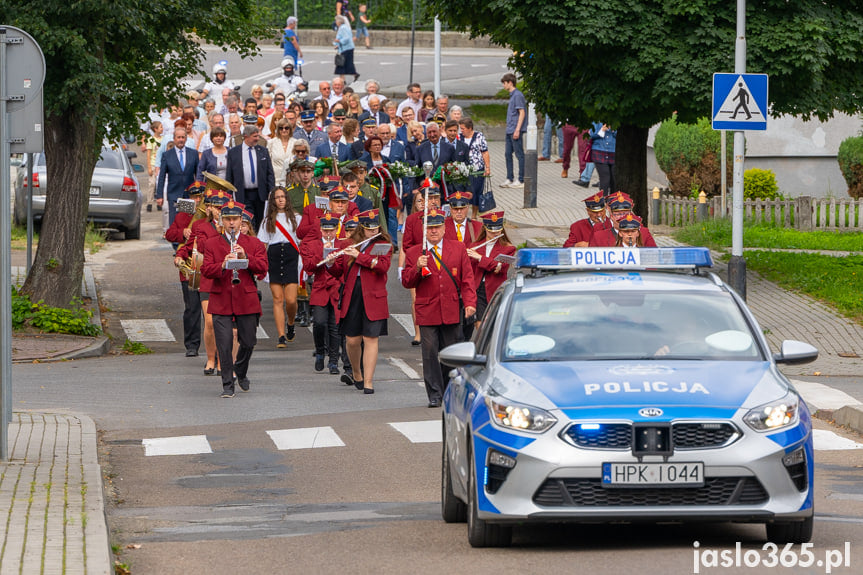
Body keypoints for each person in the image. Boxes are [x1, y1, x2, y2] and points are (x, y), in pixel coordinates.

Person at [401, 208, 476, 408]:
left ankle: (449, 389)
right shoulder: (414, 252)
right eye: (430, 228)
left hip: (451, 308)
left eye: (437, 227)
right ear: (425, 230)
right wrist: (417, 267)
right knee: (430, 352)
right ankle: (434, 394)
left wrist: (469, 303)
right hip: (428, 310)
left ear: (444, 228)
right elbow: (406, 282)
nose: (434, 231)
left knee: (451, 353)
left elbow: (467, 279)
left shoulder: (458, 248)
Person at [201, 200, 268, 398]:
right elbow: (206, 270)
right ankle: (227, 385)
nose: (231, 223)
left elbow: (263, 268)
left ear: (241, 221)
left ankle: (241, 369)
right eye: (228, 219)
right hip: (221, 299)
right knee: (224, 344)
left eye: (235, 219)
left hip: (245, 299)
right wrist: (222, 265)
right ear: (222, 222)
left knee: (248, 342)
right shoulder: (212, 243)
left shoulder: (253, 243)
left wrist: (245, 256)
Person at [325, 209, 391, 394]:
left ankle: (369, 381)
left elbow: (383, 266)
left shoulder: (383, 244)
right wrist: (330, 262)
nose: (372, 231)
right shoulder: (348, 244)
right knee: (352, 340)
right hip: (352, 293)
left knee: (371, 338)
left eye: (374, 228)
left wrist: (359, 256)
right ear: (361, 228)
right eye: (368, 229)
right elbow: (338, 271)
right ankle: (356, 372)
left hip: (374, 295)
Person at [177, 189, 231, 375]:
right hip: (208, 277)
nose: (218, 210)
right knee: (209, 321)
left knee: (226, 323)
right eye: (215, 207)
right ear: (208, 209)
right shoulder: (200, 226)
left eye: (221, 207)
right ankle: (210, 357)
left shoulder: (232, 225)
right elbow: (189, 246)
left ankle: (222, 359)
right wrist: (179, 256)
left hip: (227, 278)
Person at [258, 187, 303, 347]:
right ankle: (281, 335)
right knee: (278, 299)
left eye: (283, 196)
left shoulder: (297, 218)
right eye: (277, 197)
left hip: (291, 256)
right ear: (273, 201)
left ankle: (290, 322)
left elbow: (302, 240)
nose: (281, 199)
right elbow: (262, 245)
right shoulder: (267, 220)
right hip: (274, 257)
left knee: (291, 300)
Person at [166, 182, 207, 358]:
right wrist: (183, 232)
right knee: (192, 307)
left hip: (207, 265)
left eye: (200, 197)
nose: (197, 200)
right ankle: (192, 345)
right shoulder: (183, 214)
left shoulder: (210, 216)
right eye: (194, 197)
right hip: (189, 264)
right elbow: (169, 234)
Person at [300, 212, 343, 374]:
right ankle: (320, 351)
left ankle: (333, 361)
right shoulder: (314, 245)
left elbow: (343, 269)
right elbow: (309, 266)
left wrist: (333, 263)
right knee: (319, 323)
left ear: (336, 229)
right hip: (320, 289)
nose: (329, 234)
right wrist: (322, 253)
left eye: (331, 230)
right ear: (321, 230)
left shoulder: (342, 245)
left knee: (335, 326)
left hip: (336, 289)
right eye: (325, 231)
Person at [465, 210, 516, 336]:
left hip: (495, 289)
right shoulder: (475, 246)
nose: (494, 234)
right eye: (491, 231)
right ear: (485, 229)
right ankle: (484, 349)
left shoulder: (508, 248)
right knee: (479, 325)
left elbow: (501, 268)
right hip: (478, 289)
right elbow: (471, 270)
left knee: (494, 324)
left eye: (497, 231)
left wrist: (480, 258)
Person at [225, 125, 275, 227]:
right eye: (255, 136)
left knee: (261, 221)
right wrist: (229, 195)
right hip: (243, 194)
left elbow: (269, 173)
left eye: (258, 136)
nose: (257, 139)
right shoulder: (233, 152)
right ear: (246, 136)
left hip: (260, 193)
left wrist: (271, 191)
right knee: (247, 220)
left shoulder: (263, 151)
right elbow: (229, 175)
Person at [156, 127, 199, 226]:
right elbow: (161, 176)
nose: (181, 140)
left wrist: (198, 194)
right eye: (178, 137)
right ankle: (175, 242)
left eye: (183, 137)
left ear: (186, 139)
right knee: (175, 222)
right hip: (174, 194)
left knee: (187, 222)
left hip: (189, 195)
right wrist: (159, 196)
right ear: (174, 138)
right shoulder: (167, 155)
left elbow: (198, 175)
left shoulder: (193, 154)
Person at [589, 192, 658, 247]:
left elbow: (654, 256)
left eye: (625, 213)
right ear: (611, 216)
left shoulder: (643, 233)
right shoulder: (599, 237)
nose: (622, 217)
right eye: (618, 214)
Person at [459, 118, 492, 218]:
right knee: (465, 193)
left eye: (463, 128)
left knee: (477, 192)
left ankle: (474, 215)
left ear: (470, 128)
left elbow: (485, 152)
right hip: (463, 170)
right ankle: (464, 214)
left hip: (477, 169)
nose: (461, 131)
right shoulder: (459, 137)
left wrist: (487, 168)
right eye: (460, 128)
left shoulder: (479, 136)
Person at [411, 122, 455, 196]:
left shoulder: (449, 148)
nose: (432, 135)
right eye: (429, 132)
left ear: (439, 131)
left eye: (434, 131)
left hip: (445, 189)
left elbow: (454, 167)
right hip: (427, 189)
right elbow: (417, 169)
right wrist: (420, 183)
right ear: (426, 134)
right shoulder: (420, 149)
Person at [500, 72, 526, 189]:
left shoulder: (518, 95)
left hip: (515, 130)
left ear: (510, 83)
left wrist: (517, 129)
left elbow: (522, 113)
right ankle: (509, 177)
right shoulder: (512, 96)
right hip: (509, 129)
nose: (503, 86)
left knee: (519, 154)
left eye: (504, 83)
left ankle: (521, 179)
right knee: (507, 154)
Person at [590, 121, 617, 195]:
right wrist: (602, 130)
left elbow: (623, 136)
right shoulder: (596, 121)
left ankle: (613, 201)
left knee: (614, 179)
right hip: (599, 151)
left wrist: (613, 129)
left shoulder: (616, 121)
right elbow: (592, 135)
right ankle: (603, 201)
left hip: (613, 151)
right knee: (605, 178)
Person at [268, 119, 297, 187]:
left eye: (286, 128)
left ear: (290, 129)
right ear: (278, 130)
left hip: (292, 180)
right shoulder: (271, 143)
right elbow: (268, 164)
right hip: (276, 181)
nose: (284, 130)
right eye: (281, 128)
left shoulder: (296, 143)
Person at [144, 120, 163, 212]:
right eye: (160, 127)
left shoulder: (163, 139)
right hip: (153, 163)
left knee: (159, 184)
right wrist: (149, 167)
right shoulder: (150, 140)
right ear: (155, 129)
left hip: (161, 164)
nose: (162, 129)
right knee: (152, 183)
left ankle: (159, 202)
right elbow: (148, 154)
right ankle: (149, 202)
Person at [333, 16, 359, 82]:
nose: (335, 22)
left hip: (346, 48)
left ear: (339, 22)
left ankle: (343, 80)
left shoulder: (343, 28)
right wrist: (337, 45)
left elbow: (346, 38)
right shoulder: (344, 27)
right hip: (348, 48)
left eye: (336, 21)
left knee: (341, 64)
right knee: (347, 63)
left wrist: (339, 42)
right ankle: (353, 75)